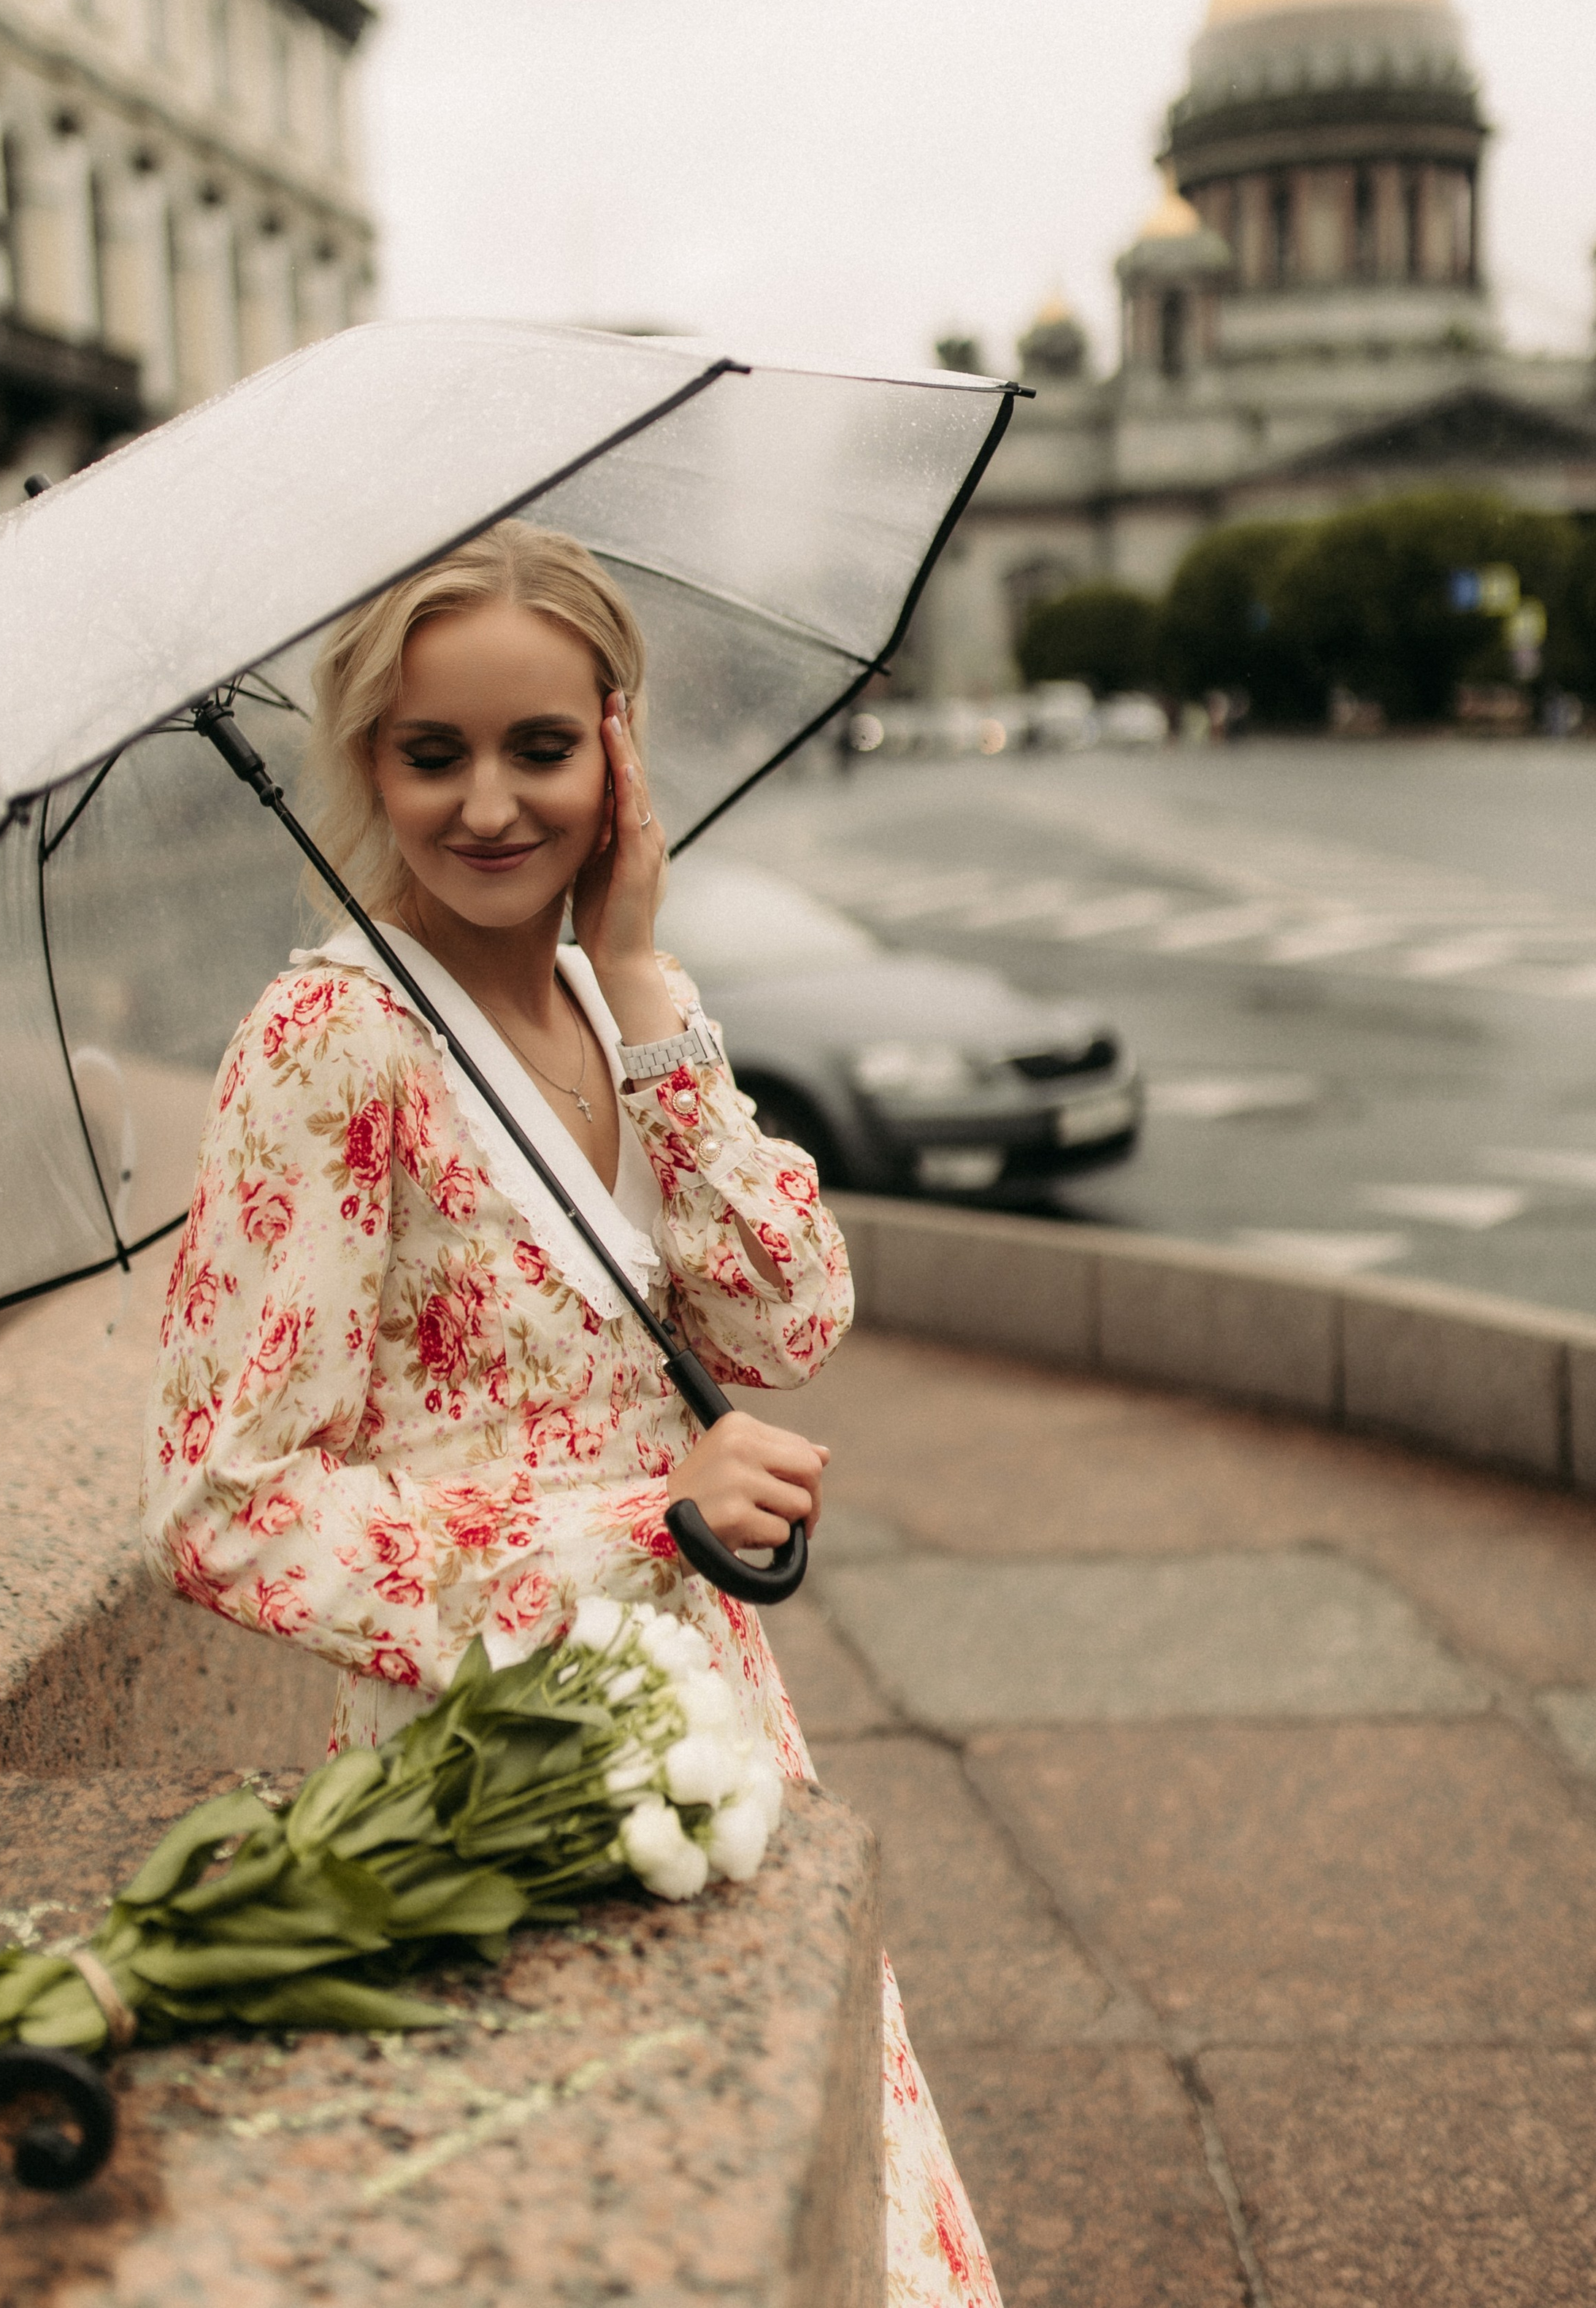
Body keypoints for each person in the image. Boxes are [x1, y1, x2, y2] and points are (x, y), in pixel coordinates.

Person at [143, 519, 1001, 2305]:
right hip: (469, 1769)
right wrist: (633, 1523)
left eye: (538, 746)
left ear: (617, 743)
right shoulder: (333, 1042)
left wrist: (649, 978)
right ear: (363, 757)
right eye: (428, 751)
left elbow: (788, 1314)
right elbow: (227, 1507)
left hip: (697, 1724)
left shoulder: (619, 1007)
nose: (483, 804)